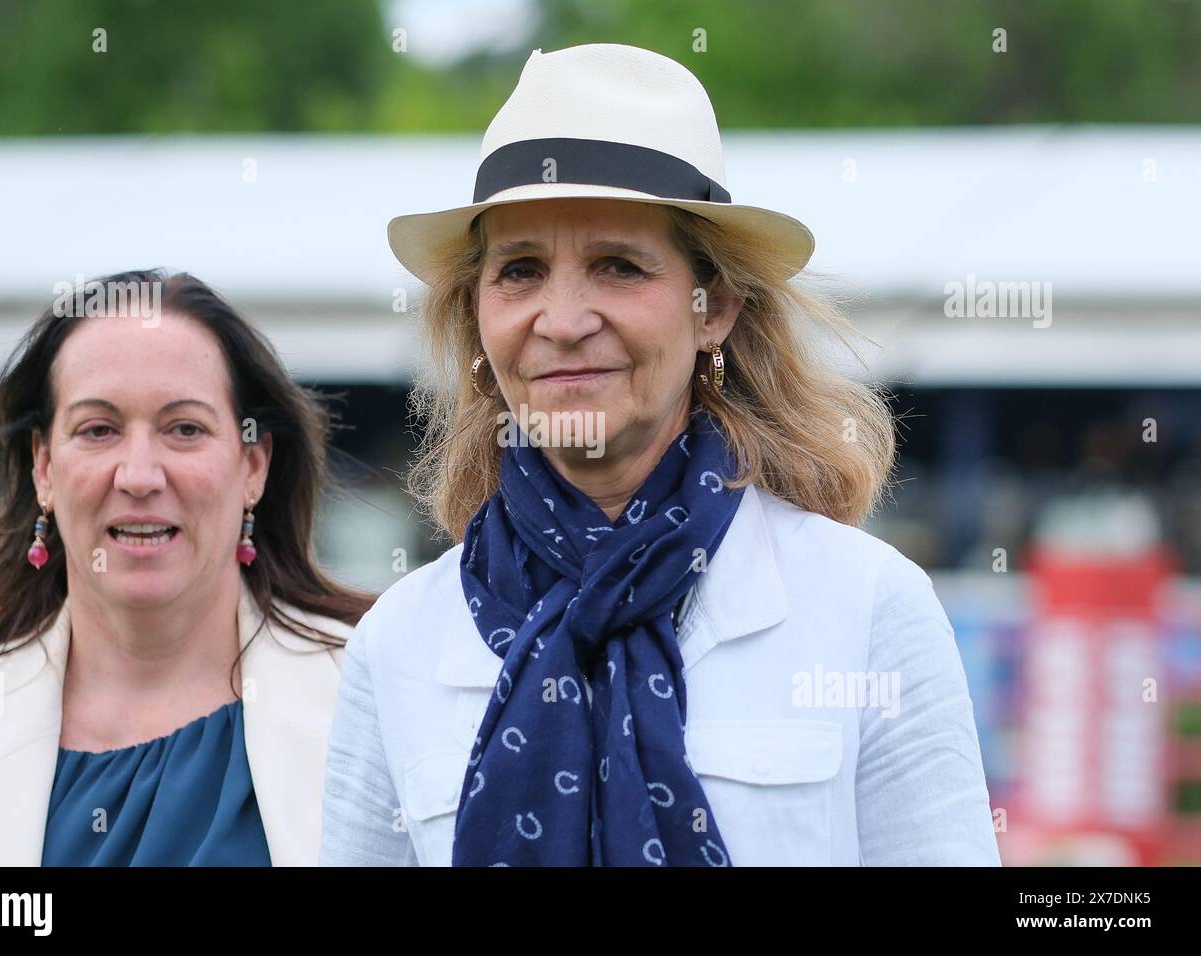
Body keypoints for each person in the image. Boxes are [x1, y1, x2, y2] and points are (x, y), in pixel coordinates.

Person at [321, 43, 1000, 866]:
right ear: (478, 321)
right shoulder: (399, 643)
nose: (562, 319)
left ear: (714, 311)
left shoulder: (868, 609)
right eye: (521, 270)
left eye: (618, 267)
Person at [0, 270, 373, 865]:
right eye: (98, 430)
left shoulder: (372, 696)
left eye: (184, 429)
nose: (140, 476)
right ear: (43, 466)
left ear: (253, 464)